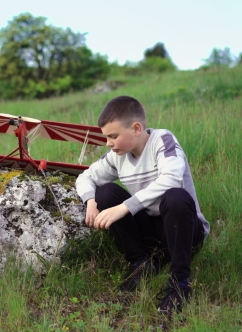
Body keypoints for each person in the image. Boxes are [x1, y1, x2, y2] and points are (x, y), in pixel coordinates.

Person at [75, 95, 210, 315]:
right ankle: (141, 264)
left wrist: (125, 207)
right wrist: (90, 201)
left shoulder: (162, 140)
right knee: (105, 192)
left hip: (184, 233)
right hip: (150, 233)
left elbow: (172, 178)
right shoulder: (116, 155)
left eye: (113, 136)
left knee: (175, 196)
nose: (108, 143)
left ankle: (179, 284)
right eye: (106, 137)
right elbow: (85, 177)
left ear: (136, 128)